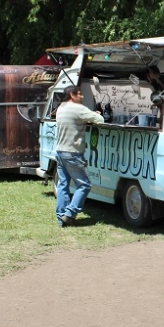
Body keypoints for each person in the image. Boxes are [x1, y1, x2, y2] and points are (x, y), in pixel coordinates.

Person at [55, 85, 104, 227]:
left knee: (63, 185)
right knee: (85, 184)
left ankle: (61, 217)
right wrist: (95, 114)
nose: (82, 97)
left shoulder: (61, 108)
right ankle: (70, 213)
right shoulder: (78, 109)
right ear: (72, 94)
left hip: (60, 151)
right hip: (73, 153)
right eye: (80, 94)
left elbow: (74, 122)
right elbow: (100, 119)